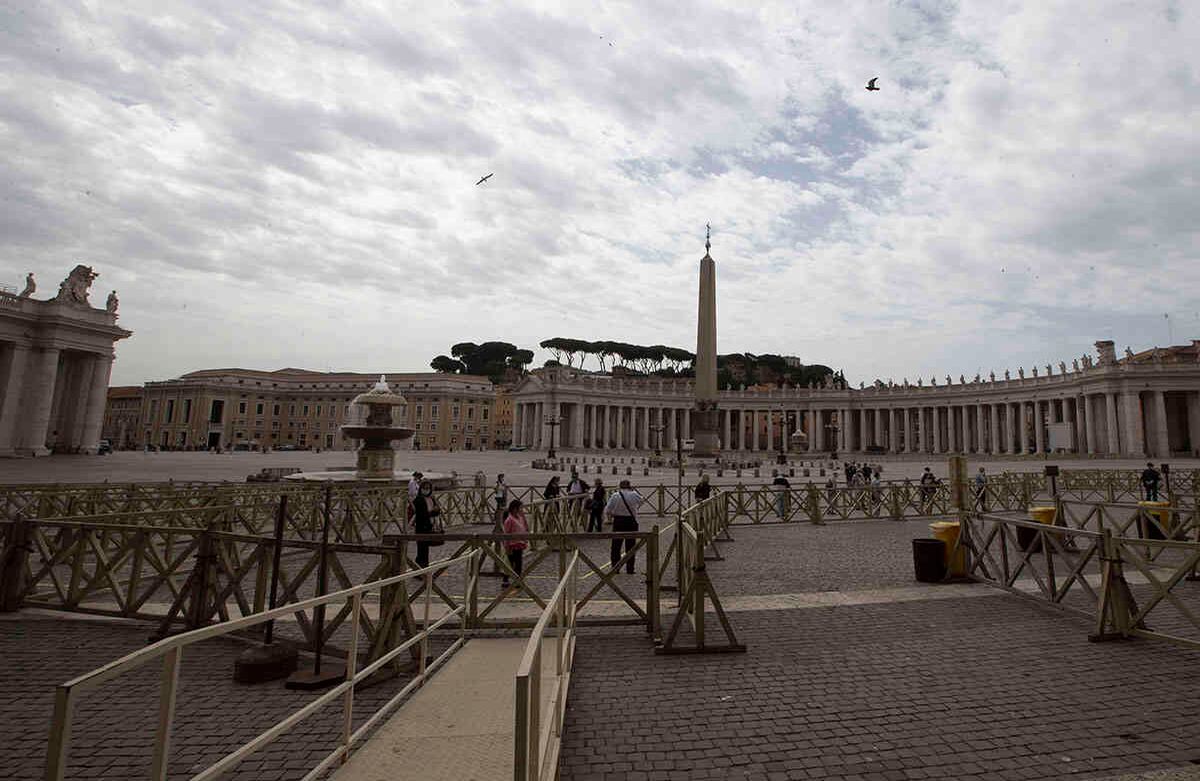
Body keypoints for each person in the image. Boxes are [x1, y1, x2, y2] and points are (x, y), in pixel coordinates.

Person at [604, 479, 644, 573]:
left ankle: (616, 568)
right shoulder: (634, 494)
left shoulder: (615, 495)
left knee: (616, 545)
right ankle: (630, 569)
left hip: (618, 521)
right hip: (631, 520)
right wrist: (634, 509)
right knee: (631, 546)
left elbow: (607, 510)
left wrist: (613, 514)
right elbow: (642, 501)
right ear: (629, 486)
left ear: (620, 486)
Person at [412, 478, 440, 568]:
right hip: (421, 527)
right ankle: (419, 570)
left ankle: (422, 569)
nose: (426, 490)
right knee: (421, 550)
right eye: (425, 488)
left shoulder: (432, 499)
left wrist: (435, 510)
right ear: (421, 488)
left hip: (429, 527)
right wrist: (432, 512)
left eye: (428, 488)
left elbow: (437, 511)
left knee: (425, 550)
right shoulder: (418, 500)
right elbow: (421, 514)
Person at [501, 499, 528, 588]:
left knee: (517, 563)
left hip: (519, 543)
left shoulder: (520, 518)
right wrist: (507, 547)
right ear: (514, 509)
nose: (522, 510)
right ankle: (512, 580)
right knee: (512, 563)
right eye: (520, 508)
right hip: (512, 545)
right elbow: (506, 534)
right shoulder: (509, 520)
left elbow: (524, 528)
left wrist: (525, 539)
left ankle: (515, 580)